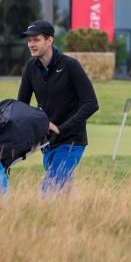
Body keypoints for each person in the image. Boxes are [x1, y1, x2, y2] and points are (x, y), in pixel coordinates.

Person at [17, 20, 99, 194]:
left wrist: (61, 129)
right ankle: (84, 210)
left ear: (50, 40)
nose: (31, 44)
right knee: (64, 191)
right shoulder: (30, 67)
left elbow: (91, 103)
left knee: (50, 190)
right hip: (48, 143)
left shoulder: (70, 65)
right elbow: (21, 106)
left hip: (71, 141)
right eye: (29, 40)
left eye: (36, 39)